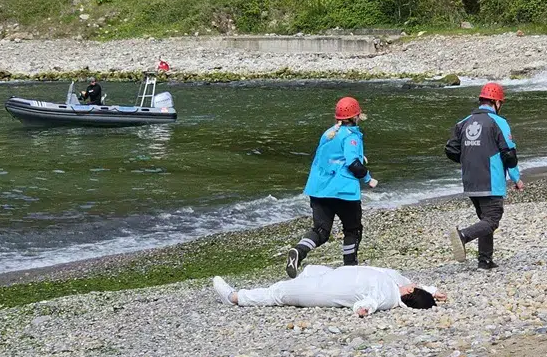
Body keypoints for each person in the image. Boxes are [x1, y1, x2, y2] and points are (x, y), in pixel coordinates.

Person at [286, 97, 378, 277]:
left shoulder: (329, 133)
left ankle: (299, 250)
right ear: (356, 116)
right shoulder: (352, 137)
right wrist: (368, 178)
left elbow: (328, 157)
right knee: (352, 229)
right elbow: (352, 164)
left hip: (319, 190)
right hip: (343, 191)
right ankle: (349, 268)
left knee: (320, 231)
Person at [444, 82, 522, 270]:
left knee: (485, 220)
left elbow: (450, 150)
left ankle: (484, 260)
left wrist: (471, 162)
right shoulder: (498, 122)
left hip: (470, 179)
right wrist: (516, 177)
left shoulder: (463, 122)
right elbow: (509, 154)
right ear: (496, 102)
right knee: (492, 219)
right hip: (491, 179)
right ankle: (463, 235)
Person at [211, 265, 446, 318]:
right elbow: (404, 280)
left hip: (323, 289)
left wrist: (363, 310)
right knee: (311, 269)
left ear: (408, 292)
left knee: (278, 293)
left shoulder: (387, 297)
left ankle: (234, 297)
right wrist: (433, 291)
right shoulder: (395, 284)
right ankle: (296, 281)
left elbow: (370, 303)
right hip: (331, 275)